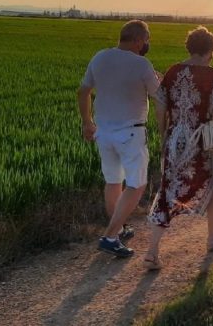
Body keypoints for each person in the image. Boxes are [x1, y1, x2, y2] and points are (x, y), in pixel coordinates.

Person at [144, 26, 213, 270]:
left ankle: (152, 251)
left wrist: (164, 136)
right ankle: (212, 238)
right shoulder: (212, 76)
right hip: (204, 142)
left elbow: (160, 108)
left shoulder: (172, 72)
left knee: (167, 189)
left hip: (175, 140)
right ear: (210, 50)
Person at [77, 20, 160, 258]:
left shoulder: (100, 57)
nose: (147, 44)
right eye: (146, 40)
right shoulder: (142, 64)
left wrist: (86, 122)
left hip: (103, 132)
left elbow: (83, 91)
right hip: (130, 133)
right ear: (138, 40)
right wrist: (160, 80)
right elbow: (159, 96)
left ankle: (120, 229)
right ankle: (111, 236)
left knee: (114, 182)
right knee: (137, 184)